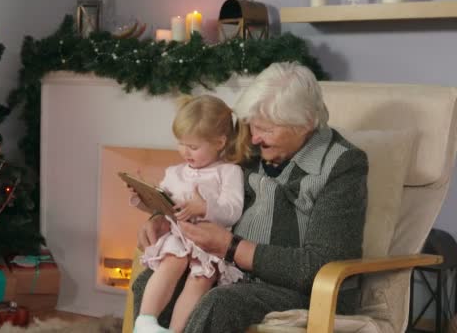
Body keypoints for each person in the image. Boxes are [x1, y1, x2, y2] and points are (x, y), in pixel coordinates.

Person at [132, 61, 368, 333]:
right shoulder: (249, 144)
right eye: (252, 126)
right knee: (148, 281)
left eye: (266, 130)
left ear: (305, 124)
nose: (254, 138)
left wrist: (229, 247)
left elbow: (321, 264)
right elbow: (202, 180)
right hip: (230, 272)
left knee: (220, 302)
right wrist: (160, 218)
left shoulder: (342, 164)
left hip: (298, 288)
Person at [130, 95, 251, 333]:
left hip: (210, 243)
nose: (185, 152)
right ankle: (145, 321)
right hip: (178, 235)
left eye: (193, 147)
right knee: (171, 261)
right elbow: (161, 207)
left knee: (201, 279)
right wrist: (142, 196)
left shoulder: (228, 172)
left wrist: (205, 208)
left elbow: (233, 210)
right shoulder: (174, 172)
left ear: (219, 142)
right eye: (181, 143)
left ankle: (175, 331)